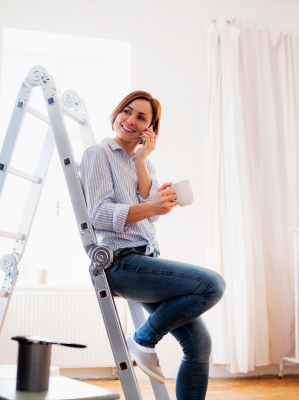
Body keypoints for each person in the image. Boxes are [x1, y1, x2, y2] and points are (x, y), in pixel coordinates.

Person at [79, 91, 226, 400]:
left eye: (141, 118)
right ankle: (143, 339)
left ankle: (144, 340)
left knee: (200, 345)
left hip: (145, 259)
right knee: (212, 284)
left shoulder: (142, 162)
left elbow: (149, 214)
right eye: (127, 112)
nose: (130, 121)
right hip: (120, 263)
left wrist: (144, 162)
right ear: (116, 113)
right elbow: (99, 215)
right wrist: (153, 207)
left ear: (151, 130)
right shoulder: (98, 154)